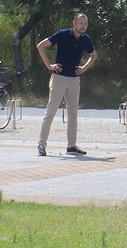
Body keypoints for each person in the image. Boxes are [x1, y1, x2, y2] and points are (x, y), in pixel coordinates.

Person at [36, 12, 97, 156]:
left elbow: (93, 55)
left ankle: (71, 145)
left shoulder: (86, 39)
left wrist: (84, 67)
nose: (83, 26)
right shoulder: (62, 34)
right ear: (74, 23)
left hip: (74, 79)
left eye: (85, 24)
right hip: (59, 77)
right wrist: (49, 65)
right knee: (51, 111)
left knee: (73, 113)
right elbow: (41, 46)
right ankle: (42, 144)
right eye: (80, 23)